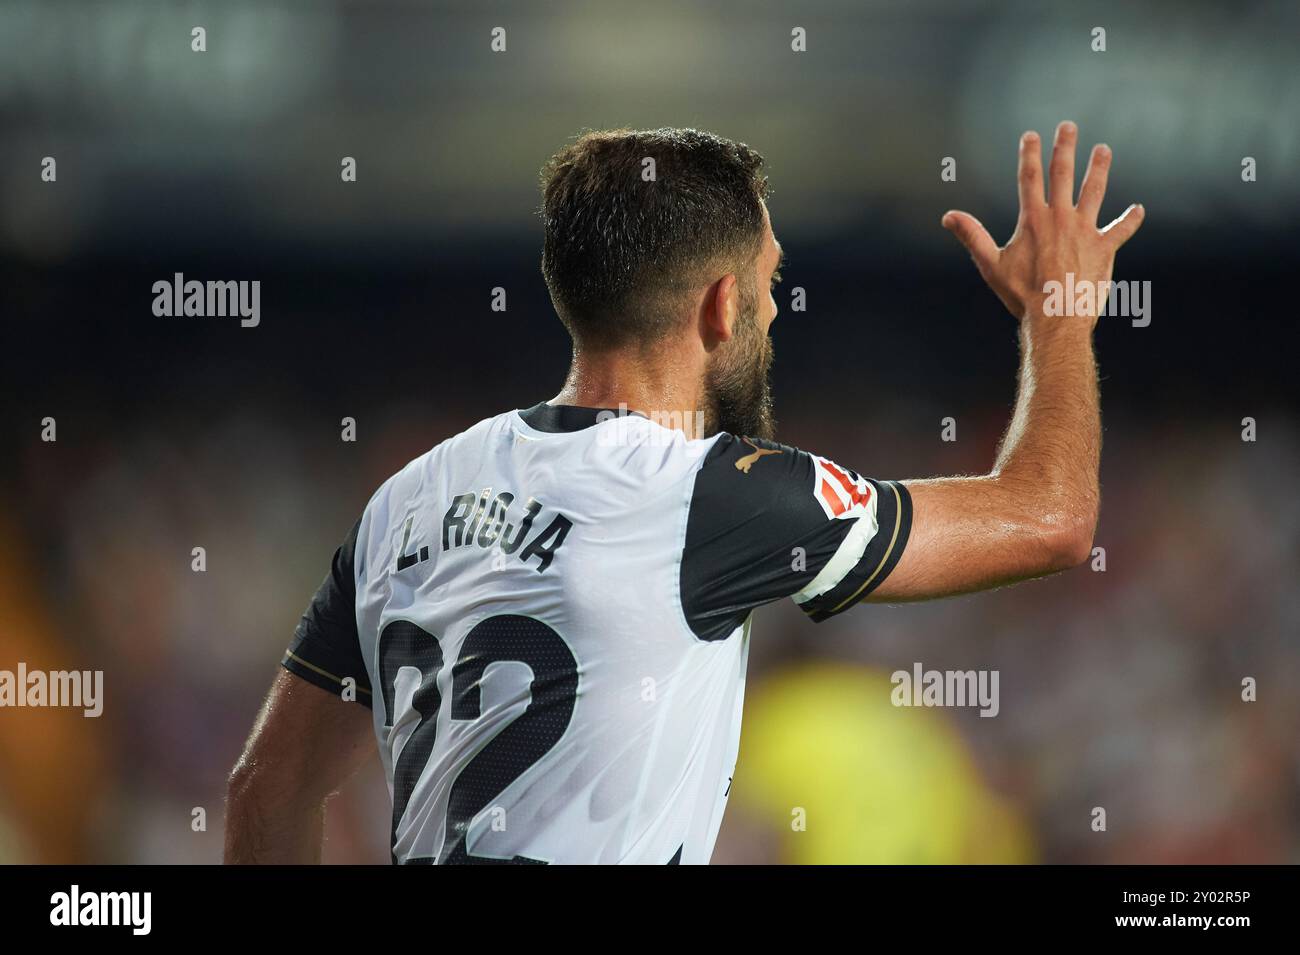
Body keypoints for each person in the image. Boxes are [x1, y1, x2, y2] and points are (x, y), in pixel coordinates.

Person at [224, 123, 1144, 864]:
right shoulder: (709, 494)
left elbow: (266, 788)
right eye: (771, 282)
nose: (777, 310)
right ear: (721, 304)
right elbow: (1051, 519)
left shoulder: (405, 498)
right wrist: (1059, 315)